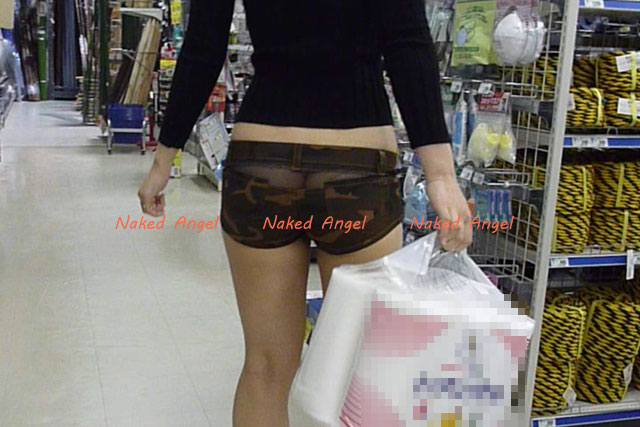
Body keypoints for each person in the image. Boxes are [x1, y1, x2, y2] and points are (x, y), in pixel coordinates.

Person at [138, 0, 472, 425]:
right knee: (361, 371)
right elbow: (407, 41)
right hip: (356, 167)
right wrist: (440, 175)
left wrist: (163, 160)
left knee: (265, 367)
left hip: (262, 162)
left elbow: (204, 44)